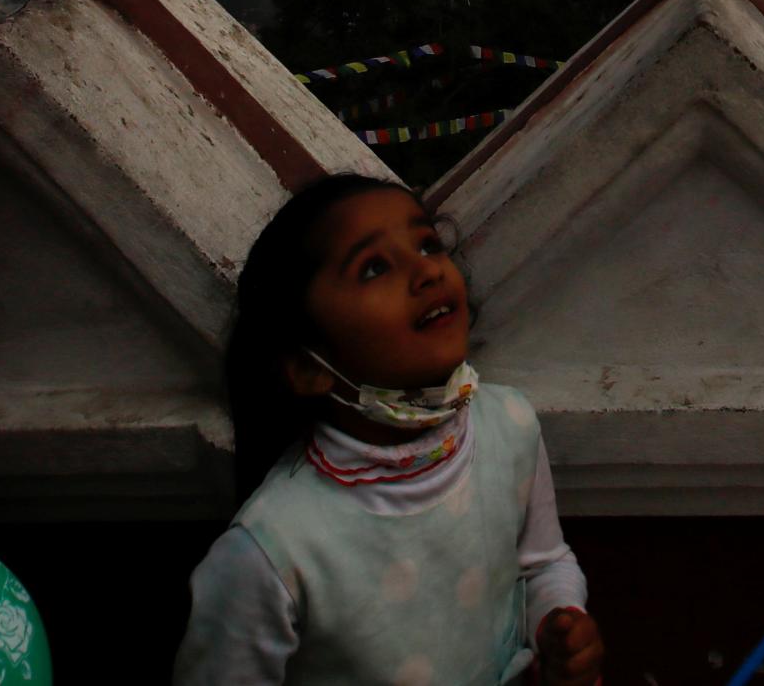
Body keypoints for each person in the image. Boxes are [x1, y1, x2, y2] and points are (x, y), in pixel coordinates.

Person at [176, 175, 604, 686]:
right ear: (308, 366)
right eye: (373, 267)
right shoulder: (269, 553)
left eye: (427, 244)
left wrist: (561, 623)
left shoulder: (509, 424)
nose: (426, 269)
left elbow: (543, 565)